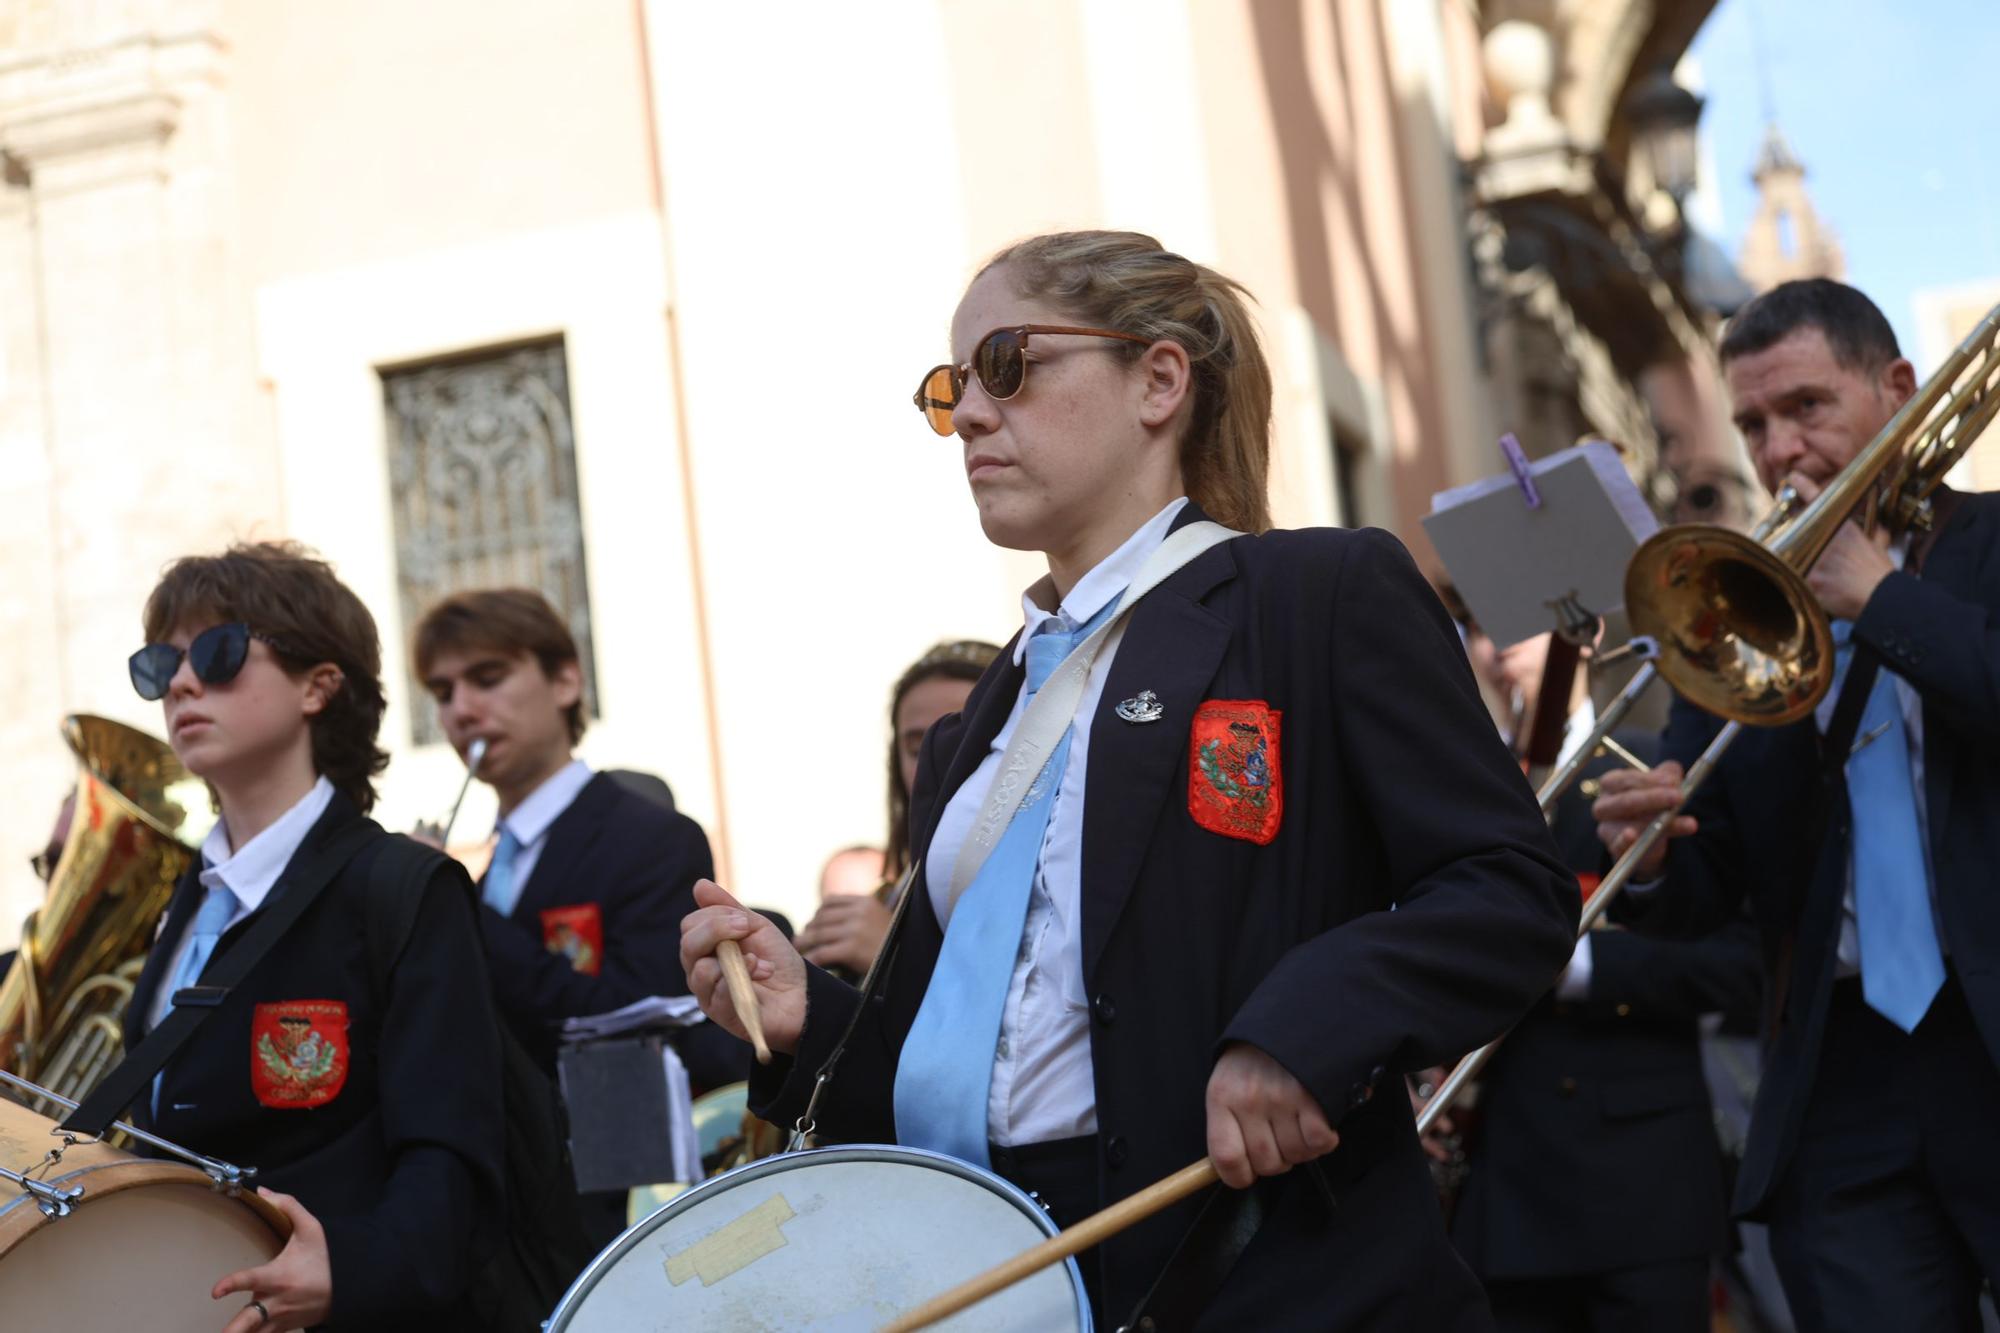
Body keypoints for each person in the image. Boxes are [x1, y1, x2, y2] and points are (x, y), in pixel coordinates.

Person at [681, 230, 1578, 1328]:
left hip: (1273, 1282)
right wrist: (803, 1020)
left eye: (1007, 364)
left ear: (1157, 379)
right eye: (952, 386)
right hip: (1006, 1279)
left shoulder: (1313, 594)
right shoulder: (979, 722)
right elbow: (946, 1074)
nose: (966, 414)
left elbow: (1505, 888)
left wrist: (1303, 1028)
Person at [1594, 279, 2000, 1331]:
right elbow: (1711, 883)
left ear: (1895, 390)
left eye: (1806, 408)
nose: (1778, 451)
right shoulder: (1734, 599)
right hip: (1841, 1079)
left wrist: (1883, 600)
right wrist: (1651, 860)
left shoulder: (1987, 545)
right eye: (1751, 426)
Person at [122, 541, 502, 1332]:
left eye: (219, 653)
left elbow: (449, 1153)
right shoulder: (180, 895)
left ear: (318, 685)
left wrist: (352, 1267)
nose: (183, 683)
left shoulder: (400, 886)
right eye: (161, 665)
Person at [1442, 617, 1762, 1332]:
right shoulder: (1466, 786)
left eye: (1520, 619)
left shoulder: (1654, 761)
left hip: (1642, 1185)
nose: (1500, 643)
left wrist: (1576, 963)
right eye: (1485, 624)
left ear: (1584, 636)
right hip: (1510, 1185)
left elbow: (1735, 962)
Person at [413, 587, 734, 1242]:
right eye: (444, 692)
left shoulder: (651, 836)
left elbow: (633, 1009)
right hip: (497, 1196)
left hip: (603, 1186)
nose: (463, 710)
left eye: (489, 677)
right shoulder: (491, 863)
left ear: (565, 680)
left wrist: (456, 907)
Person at [794, 640, 999, 977]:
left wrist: (894, 958)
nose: (937, 763)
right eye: (918, 748)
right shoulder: (889, 897)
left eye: (962, 743)